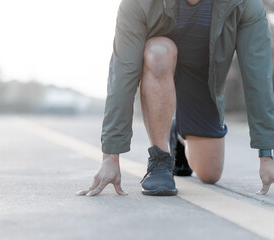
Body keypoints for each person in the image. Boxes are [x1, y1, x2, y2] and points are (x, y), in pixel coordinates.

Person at [77, 0, 274, 197]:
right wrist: (110, 156)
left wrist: (267, 156)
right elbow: (122, 74)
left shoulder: (244, 4)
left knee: (210, 173)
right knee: (159, 51)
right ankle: (160, 159)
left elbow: (257, 76)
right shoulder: (138, 3)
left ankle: (178, 134)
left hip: (201, 82)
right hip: (157, 69)